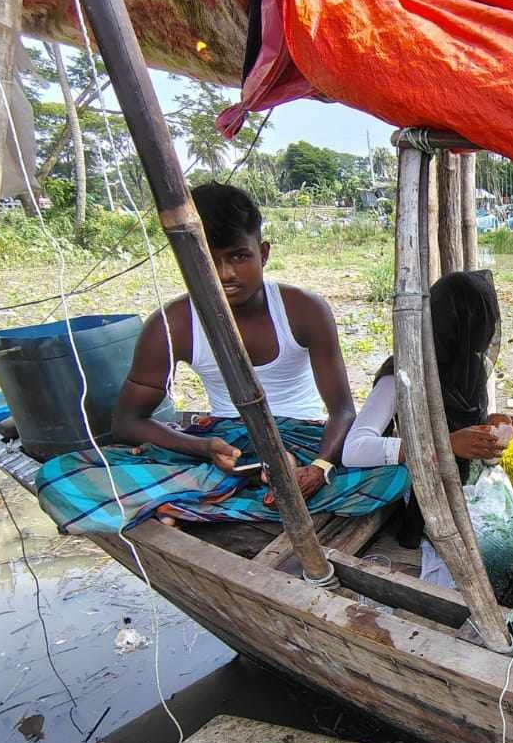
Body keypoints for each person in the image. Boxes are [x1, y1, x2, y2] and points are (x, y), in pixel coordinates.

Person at [113, 182, 359, 504]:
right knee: (67, 473)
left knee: (388, 474)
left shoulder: (305, 310)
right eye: (207, 260)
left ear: (264, 253)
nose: (225, 273)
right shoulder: (173, 325)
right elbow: (127, 422)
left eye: (239, 256)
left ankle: (209, 502)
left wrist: (319, 467)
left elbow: (343, 411)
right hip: (225, 446)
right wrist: (203, 447)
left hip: (305, 439)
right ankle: (229, 493)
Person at [340, 269, 513, 545]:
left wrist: (491, 430)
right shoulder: (402, 376)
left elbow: (478, 451)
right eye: (478, 322)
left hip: (469, 488)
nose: (486, 332)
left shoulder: (471, 367)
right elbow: (354, 450)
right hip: (426, 495)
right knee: (499, 549)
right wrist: (445, 445)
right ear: (450, 325)